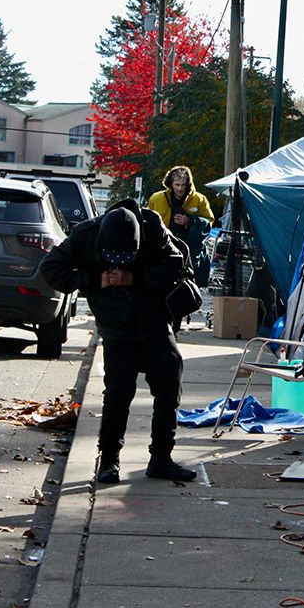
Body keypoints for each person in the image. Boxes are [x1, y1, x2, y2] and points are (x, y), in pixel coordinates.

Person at [40, 198, 197, 484]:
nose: (118, 262)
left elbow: (175, 264)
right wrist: (93, 279)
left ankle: (161, 457)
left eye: (126, 256)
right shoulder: (85, 235)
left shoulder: (152, 226)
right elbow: (51, 270)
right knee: (118, 395)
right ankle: (109, 459)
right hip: (115, 328)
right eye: (113, 257)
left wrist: (134, 278)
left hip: (154, 323)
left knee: (169, 386)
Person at [147, 165, 214, 288]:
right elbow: (147, 222)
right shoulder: (156, 198)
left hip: (191, 250)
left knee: (191, 285)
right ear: (171, 184)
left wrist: (189, 221)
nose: (180, 188)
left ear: (188, 184)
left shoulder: (200, 199)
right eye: (177, 185)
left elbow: (209, 222)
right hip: (164, 246)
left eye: (183, 185)